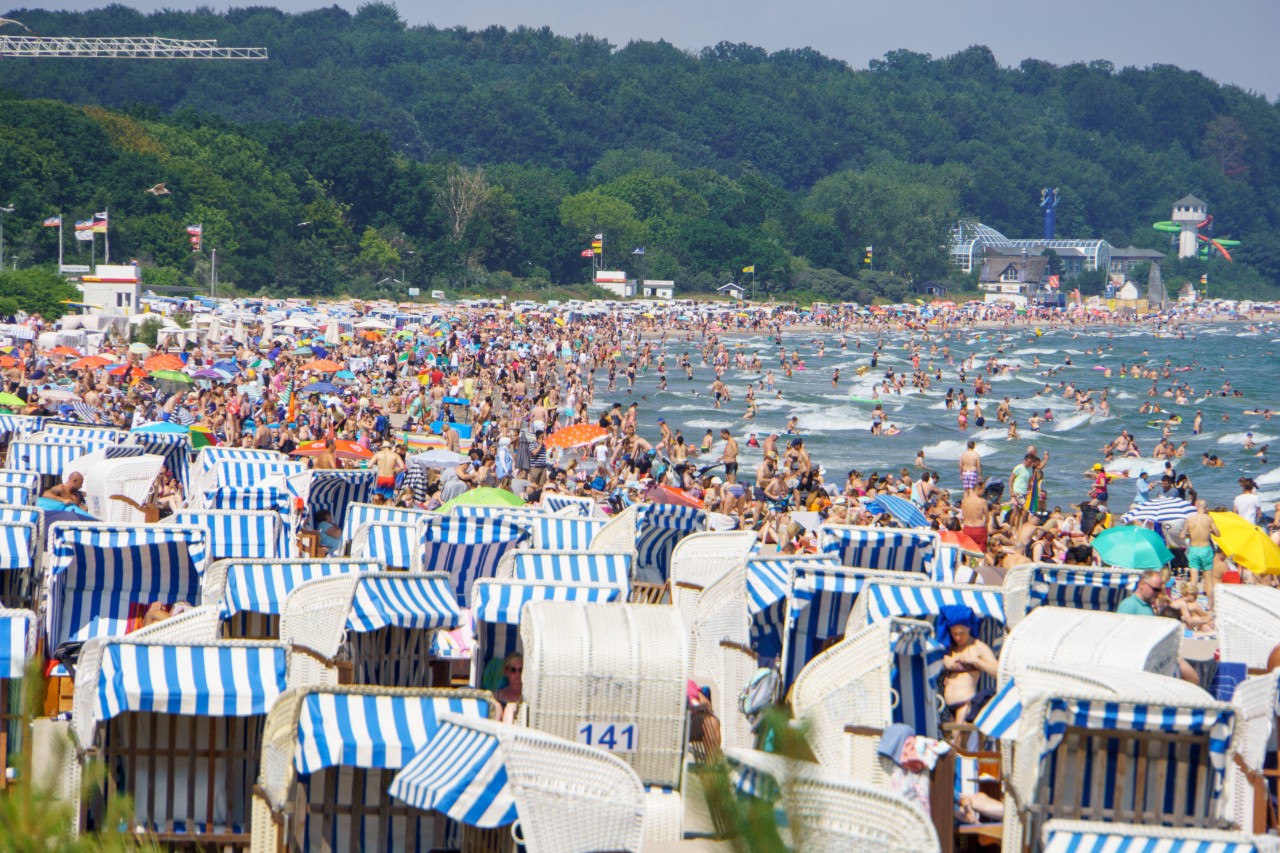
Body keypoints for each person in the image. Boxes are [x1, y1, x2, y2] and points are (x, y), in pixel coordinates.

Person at [937, 606, 998, 725]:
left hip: (965, 703)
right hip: (945, 706)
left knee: (960, 741)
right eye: (954, 634)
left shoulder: (978, 647)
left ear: (969, 629)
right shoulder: (948, 648)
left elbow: (998, 671)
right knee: (948, 742)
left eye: (962, 633)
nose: (958, 637)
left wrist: (977, 661)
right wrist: (944, 660)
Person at [1185, 500, 1220, 586]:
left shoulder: (1190, 519)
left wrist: (1191, 534)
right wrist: (1210, 530)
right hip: (1205, 548)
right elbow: (1218, 534)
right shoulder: (1209, 518)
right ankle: (1210, 600)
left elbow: (1182, 535)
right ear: (1206, 508)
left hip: (1193, 549)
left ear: (1196, 507)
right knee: (1208, 580)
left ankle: (1191, 598)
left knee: (1193, 580)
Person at [495, 651, 523, 723]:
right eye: (513, 670)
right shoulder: (496, 696)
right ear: (506, 671)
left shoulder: (528, 696)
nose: (517, 674)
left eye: (521, 670)